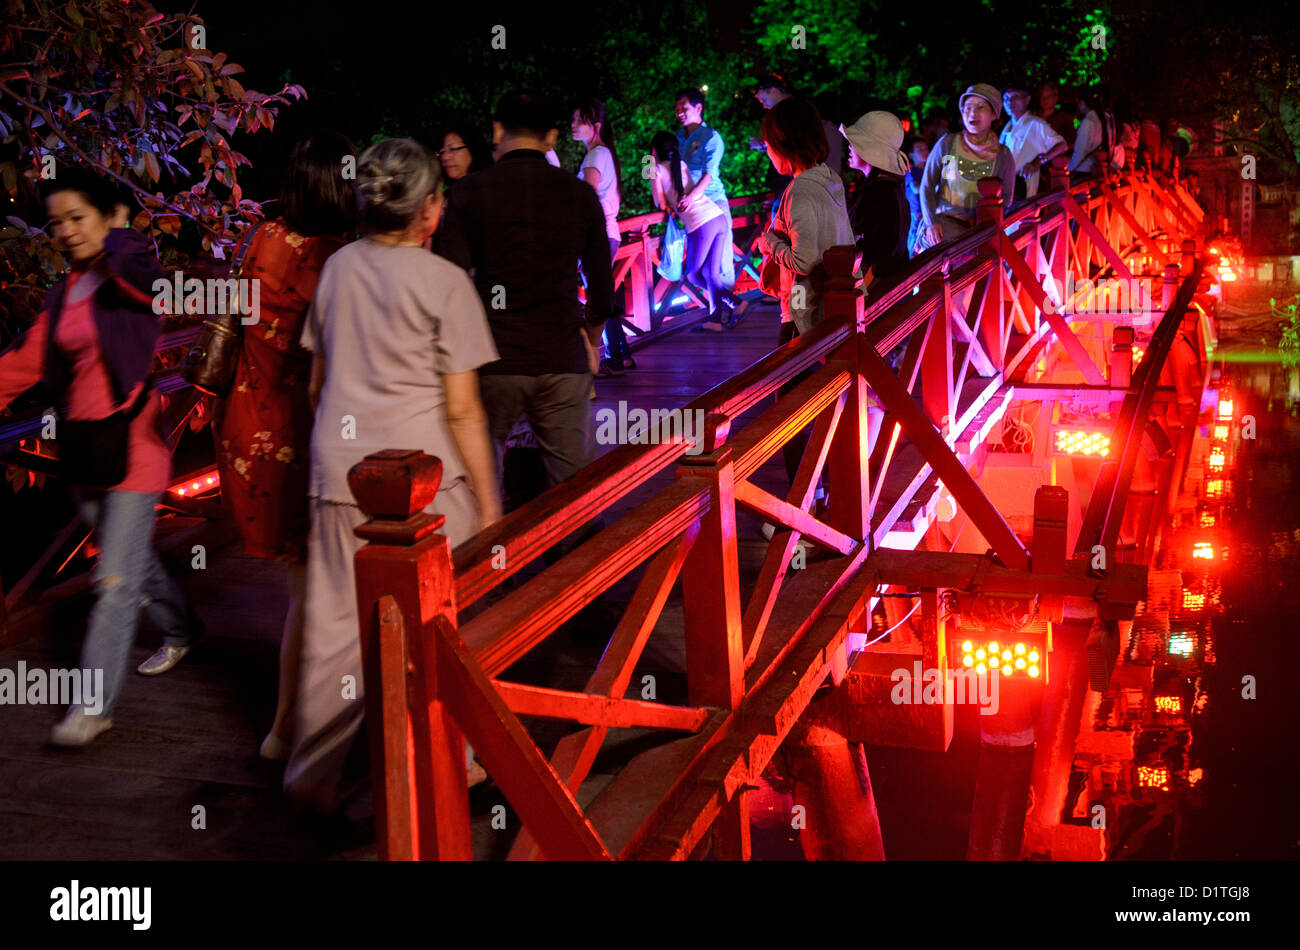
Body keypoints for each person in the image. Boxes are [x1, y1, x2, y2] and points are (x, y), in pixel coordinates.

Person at [287, 138, 502, 812]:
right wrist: (491, 504)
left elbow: (318, 385)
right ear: (430, 210)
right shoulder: (446, 283)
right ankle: (455, 765)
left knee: (332, 635)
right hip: (424, 483)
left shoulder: (338, 269)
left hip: (340, 476)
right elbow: (465, 410)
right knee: (442, 628)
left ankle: (310, 781)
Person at [0, 167, 203, 746]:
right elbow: (27, 357)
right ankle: (185, 627)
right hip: (86, 452)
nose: (63, 231)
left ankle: (92, 708)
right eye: (55, 221)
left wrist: (118, 224)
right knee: (130, 561)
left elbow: (136, 261)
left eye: (76, 218)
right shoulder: (68, 290)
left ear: (111, 217)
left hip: (134, 448)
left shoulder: (132, 270)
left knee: (112, 580)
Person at [214, 131, 357, 762]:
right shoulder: (337, 260)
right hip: (305, 430)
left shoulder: (263, 239)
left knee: (306, 589)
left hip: (250, 426)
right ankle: (294, 731)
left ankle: (290, 727)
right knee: (319, 592)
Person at [435, 90, 611, 501]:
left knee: (480, 483)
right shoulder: (579, 194)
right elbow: (602, 286)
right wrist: (593, 341)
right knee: (576, 491)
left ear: (497, 130)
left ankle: (490, 558)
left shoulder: (468, 194)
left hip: (492, 358)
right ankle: (578, 560)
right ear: (551, 138)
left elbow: (450, 282)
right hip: (562, 356)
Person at [758, 97, 855, 484]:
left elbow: (804, 261)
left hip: (800, 314)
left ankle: (804, 498)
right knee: (822, 402)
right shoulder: (830, 179)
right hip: (832, 309)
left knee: (789, 412)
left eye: (768, 145)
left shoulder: (799, 191)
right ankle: (830, 487)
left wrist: (770, 243)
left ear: (783, 145)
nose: (767, 153)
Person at [572, 98, 634, 375]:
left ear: (595, 126)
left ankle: (611, 358)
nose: (573, 125)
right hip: (607, 233)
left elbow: (585, 199)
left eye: (579, 121)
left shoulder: (596, 155)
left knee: (599, 299)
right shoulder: (604, 153)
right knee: (602, 295)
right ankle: (621, 356)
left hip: (596, 235)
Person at [917, 83, 1017, 250]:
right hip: (941, 229)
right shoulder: (947, 144)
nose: (973, 113)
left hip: (978, 235)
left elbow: (1006, 198)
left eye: (980, 107)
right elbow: (926, 186)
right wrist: (931, 222)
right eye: (968, 107)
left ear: (994, 114)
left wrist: (986, 225)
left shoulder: (1003, 155)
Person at [650, 131, 729, 330]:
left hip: (701, 223)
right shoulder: (682, 164)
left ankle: (726, 309)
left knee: (694, 275)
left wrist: (648, 165)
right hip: (717, 216)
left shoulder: (655, 169)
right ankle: (721, 315)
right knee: (711, 272)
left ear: (655, 150)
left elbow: (658, 203)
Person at [675, 86, 736, 323]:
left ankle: (726, 312)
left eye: (685, 107)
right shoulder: (679, 139)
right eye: (677, 107)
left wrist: (690, 198)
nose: (679, 112)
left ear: (699, 108)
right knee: (704, 270)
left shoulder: (711, 137)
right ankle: (721, 312)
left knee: (720, 263)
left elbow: (710, 174)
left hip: (713, 203)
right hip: (694, 210)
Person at [839, 111, 911, 282]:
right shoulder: (890, 186)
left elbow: (871, 248)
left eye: (854, 143)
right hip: (892, 280)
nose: (849, 146)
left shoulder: (878, 192)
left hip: (877, 284)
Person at [999, 81, 1067, 198]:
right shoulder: (1007, 127)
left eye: (1015, 97)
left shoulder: (1035, 124)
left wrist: (1037, 163)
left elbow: (1062, 145)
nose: (1010, 102)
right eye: (1006, 98)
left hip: (1024, 188)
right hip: (1006, 188)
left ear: (1027, 100)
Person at [1069, 87, 1110, 181]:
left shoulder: (1088, 121)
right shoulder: (1100, 118)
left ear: (1083, 102)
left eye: (1078, 103)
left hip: (1083, 169)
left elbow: (1079, 150)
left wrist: (1070, 169)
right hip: (1094, 167)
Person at [437, 122, 493, 188]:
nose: (445, 157)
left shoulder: (491, 187)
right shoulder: (448, 194)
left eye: (453, 149)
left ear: (472, 149)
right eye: (442, 152)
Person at [903, 136, 929, 255]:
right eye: (920, 149)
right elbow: (916, 188)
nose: (925, 152)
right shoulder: (911, 172)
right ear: (911, 155)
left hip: (928, 214)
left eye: (926, 149)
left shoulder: (929, 170)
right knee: (915, 244)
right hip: (917, 215)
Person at [1036, 80, 1075, 148]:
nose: (1044, 100)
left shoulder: (1065, 118)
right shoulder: (1034, 117)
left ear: (1056, 98)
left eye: (1048, 97)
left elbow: (1070, 142)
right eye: (1042, 97)